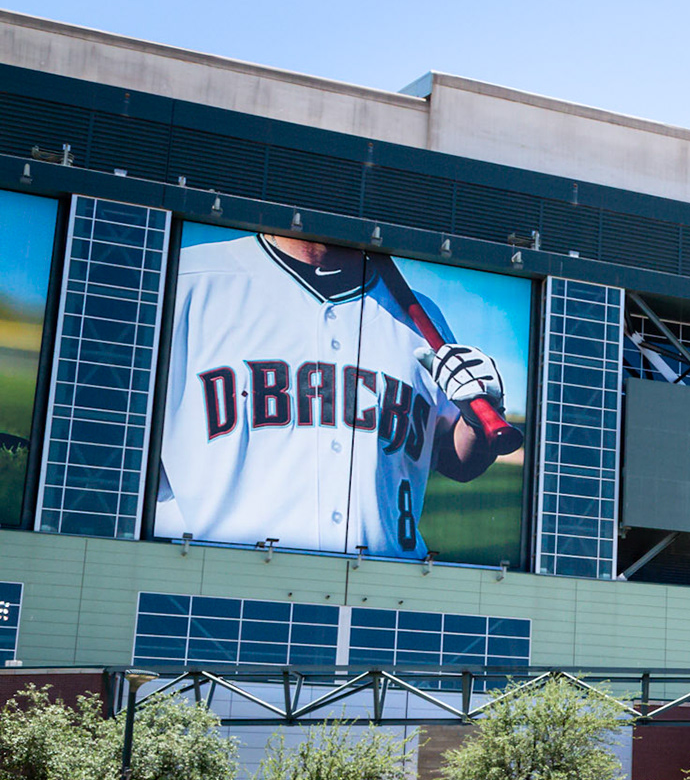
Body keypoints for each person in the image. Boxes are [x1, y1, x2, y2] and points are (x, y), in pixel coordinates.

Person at [155, 232, 511, 559]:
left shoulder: (421, 317)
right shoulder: (185, 280)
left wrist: (477, 420)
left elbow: (457, 461)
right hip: (216, 591)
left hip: (384, 595)